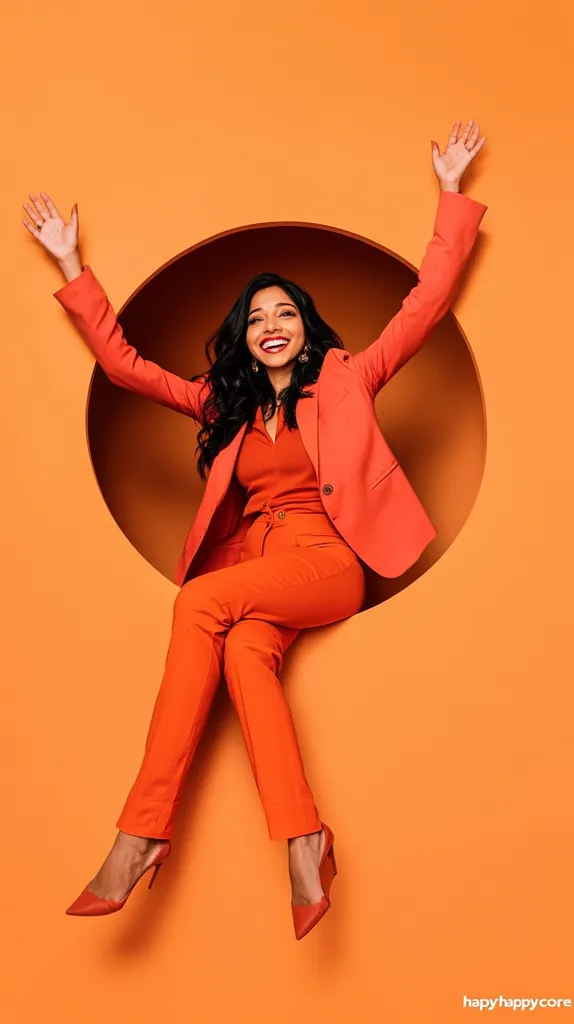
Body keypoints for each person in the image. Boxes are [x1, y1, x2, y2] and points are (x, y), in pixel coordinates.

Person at [22, 118, 487, 941]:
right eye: (256, 316)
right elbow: (128, 367)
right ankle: (305, 839)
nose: (271, 323)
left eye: (286, 312)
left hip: (330, 564)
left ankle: (140, 834)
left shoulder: (347, 379)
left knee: (198, 605)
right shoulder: (225, 405)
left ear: (307, 327)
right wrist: (71, 265)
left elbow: (424, 307)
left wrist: (451, 195)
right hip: (263, 574)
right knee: (240, 649)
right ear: (244, 337)